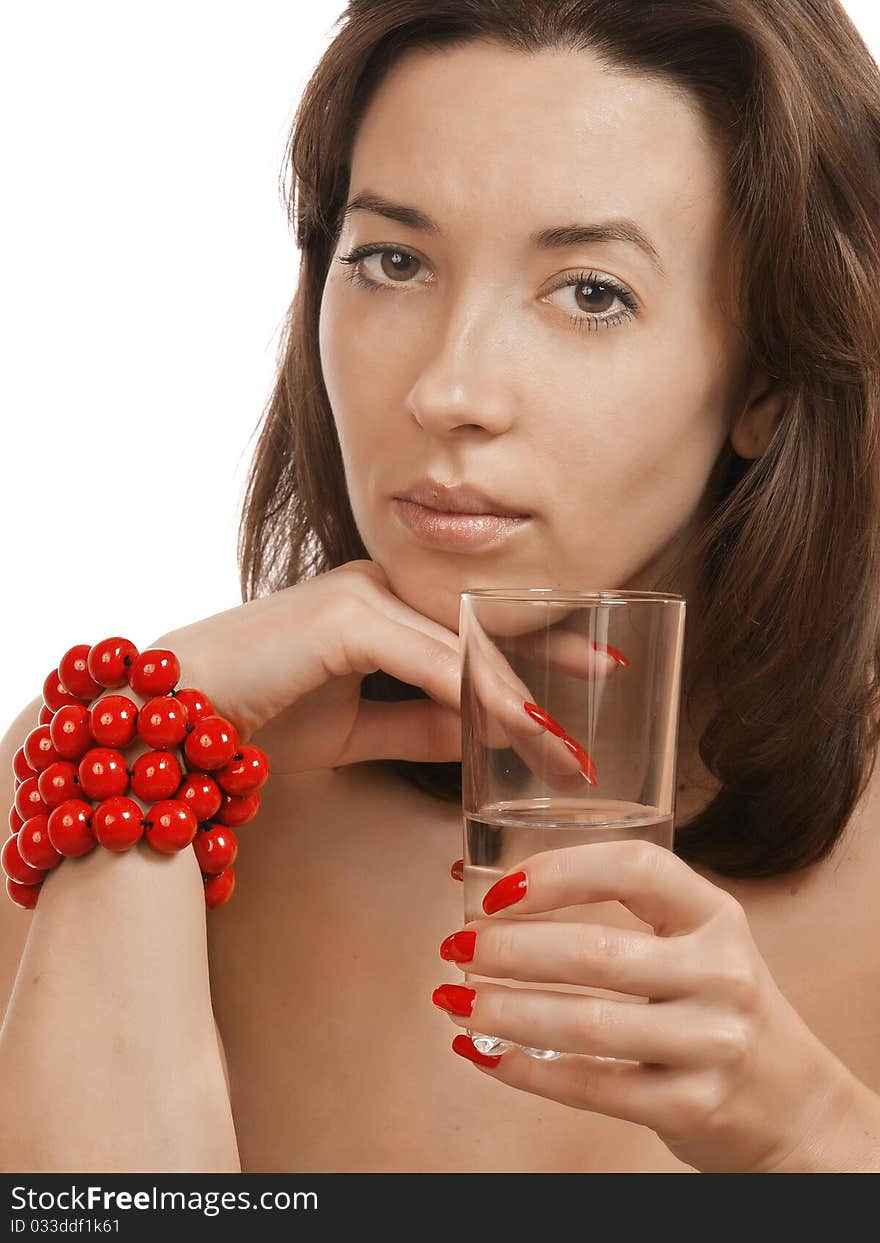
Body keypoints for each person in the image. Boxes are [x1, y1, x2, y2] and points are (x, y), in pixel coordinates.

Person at [2, 0, 880, 1173]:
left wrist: (816, 1136)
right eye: (394, 262)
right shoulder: (97, 773)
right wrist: (148, 789)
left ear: (767, 381)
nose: (449, 388)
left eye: (588, 293)